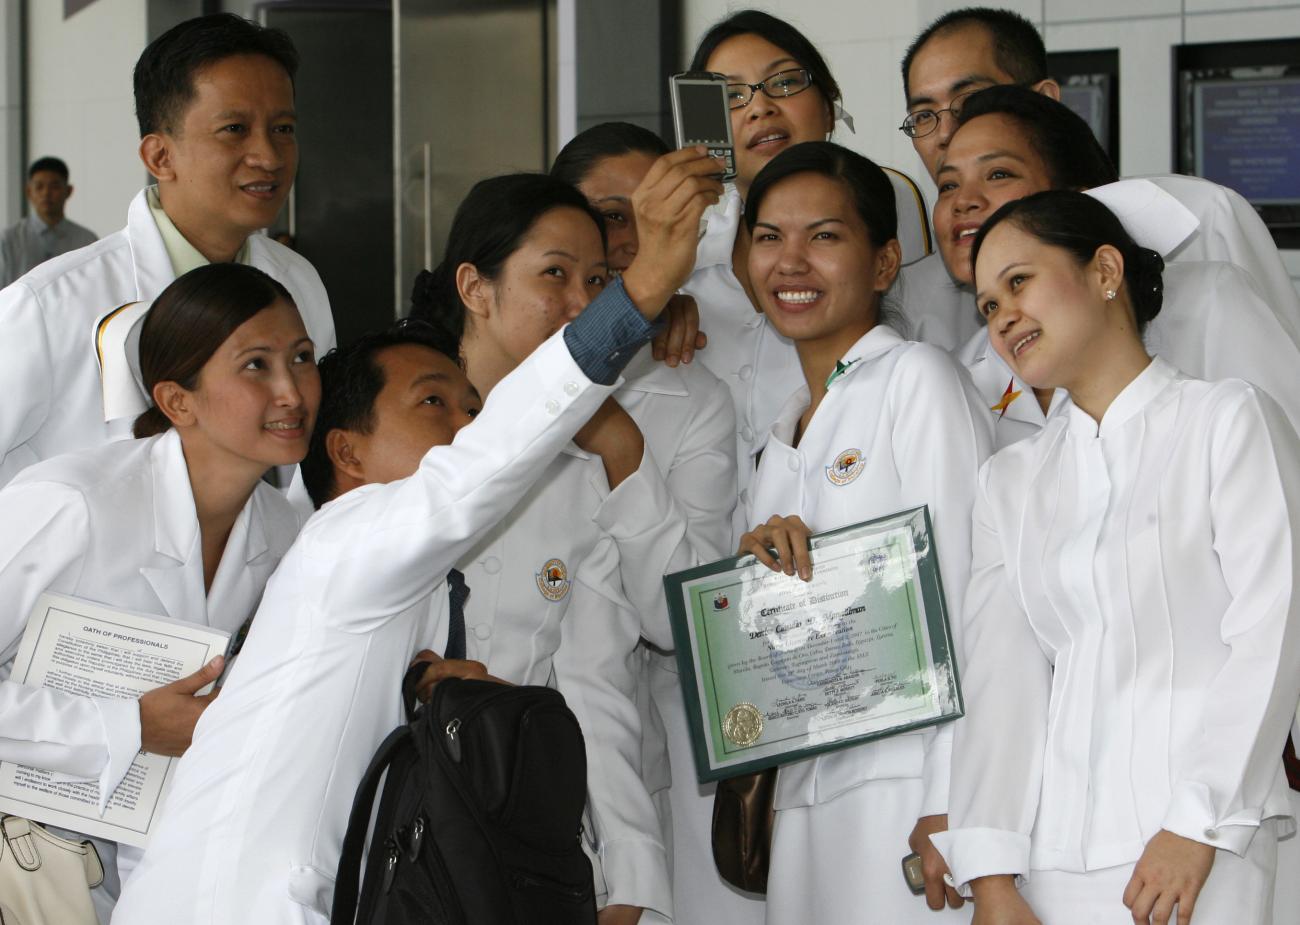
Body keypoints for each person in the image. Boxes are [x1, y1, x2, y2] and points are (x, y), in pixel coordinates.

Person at [112, 147, 722, 925]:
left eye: (471, 408)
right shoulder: (350, 539)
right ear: (348, 450)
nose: (465, 425)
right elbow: (480, 470)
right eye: (434, 403)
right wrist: (639, 291)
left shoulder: (420, 590)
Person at [932, 189, 1300, 925]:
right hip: (1052, 857)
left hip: (1202, 846)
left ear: (1105, 271)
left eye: (1018, 282)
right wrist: (995, 874)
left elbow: (1272, 631)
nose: (1001, 316)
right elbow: (1003, 679)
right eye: (985, 306)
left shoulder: (1226, 420)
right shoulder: (1010, 482)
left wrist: (1196, 820)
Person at [410, 170, 721, 924]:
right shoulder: (392, 432)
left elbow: (595, 687)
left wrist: (634, 883)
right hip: (389, 821)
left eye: (600, 279)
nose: (584, 305)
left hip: (516, 853)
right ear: (475, 288)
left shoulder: (583, 468)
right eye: (555, 275)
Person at [0, 262, 318, 923]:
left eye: (302, 357)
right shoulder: (74, 504)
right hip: (31, 873)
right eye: (255, 365)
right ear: (178, 400)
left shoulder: (292, 535)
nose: (292, 390)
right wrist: (130, 725)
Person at [737, 141, 991, 924]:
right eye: (769, 237)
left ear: (884, 264)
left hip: (909, 794)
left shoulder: (917, 379)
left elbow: (972, 591)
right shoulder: (784, 433)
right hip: (809, 792)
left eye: (824, 236)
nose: (791, 261)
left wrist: (955, 797)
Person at [0, 13, 335, 488]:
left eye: (283, 129)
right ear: (160, 157)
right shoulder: (47, 309)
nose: (269, 155)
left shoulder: (298, 282)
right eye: (235, 129)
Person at [552, 121, 739, 920]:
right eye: (609, 214)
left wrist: (626, 455)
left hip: (617, 776)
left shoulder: (694, 395)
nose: (633, 239)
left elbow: (677, 619)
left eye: (656, 212)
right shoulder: (469, 378)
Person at [895, 6, 1300, 351]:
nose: (947, 133)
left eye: (970, 102)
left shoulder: (1201, 218)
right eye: (924, 116)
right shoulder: (915, 295)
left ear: (1046, 101)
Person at [935, 86, 1300, 450]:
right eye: (947, 184)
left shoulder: (1208, 302)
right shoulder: (957, 375)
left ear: (1078, 199)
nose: (963, 201)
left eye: (998, 174)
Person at [677, 10, 844, 548]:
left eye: (785, 81)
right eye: (729, 96)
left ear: (829, 104)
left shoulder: (898, 258)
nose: (760, 107)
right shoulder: (676, 268)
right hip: (689, 599)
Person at [0, 157, 97, 286]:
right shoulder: (8, 241)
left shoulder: (87, 241)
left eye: (54, 187)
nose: (46, 193)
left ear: (68, 191)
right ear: (29, 192)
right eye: (39, 187)